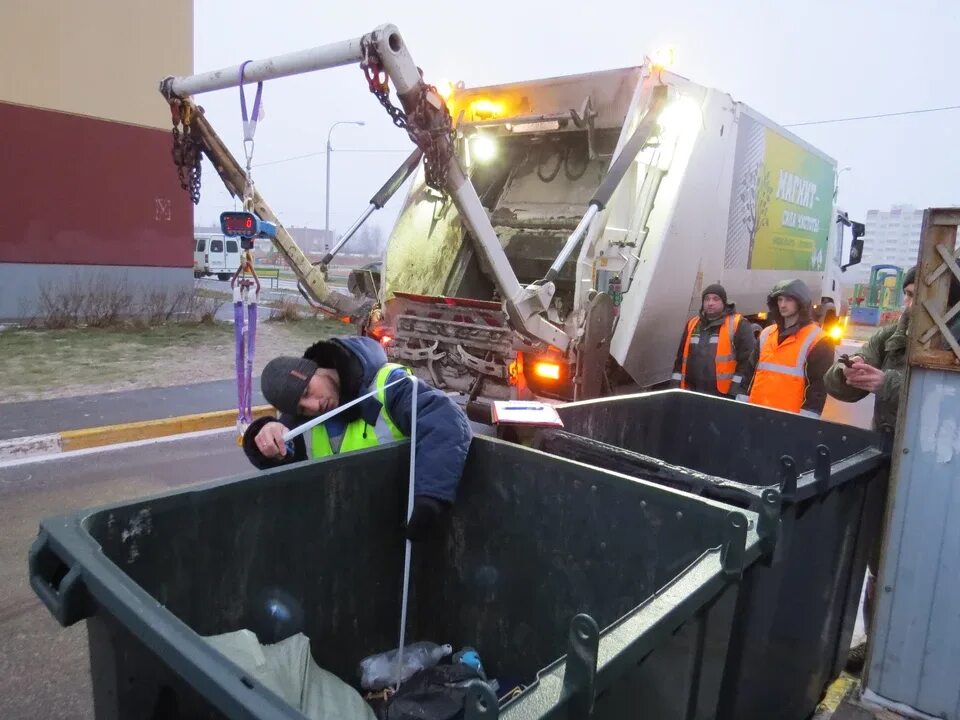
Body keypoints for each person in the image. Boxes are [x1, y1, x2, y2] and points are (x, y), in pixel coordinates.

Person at [242, 335, 472, 541]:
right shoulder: (309, 416)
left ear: (315, 368)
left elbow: (445, 420)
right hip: (351, 534)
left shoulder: (389, 386)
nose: (313, 406)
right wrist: (265, 435)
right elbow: (286, 455)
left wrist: (430, 497)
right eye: (301, 409)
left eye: (307, 392)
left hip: (402, 530)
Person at [747, 279, 835, 417]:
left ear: (801, 303)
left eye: (788, 300)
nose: (782, 305)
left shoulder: (819, 340)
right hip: (756, 413)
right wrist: (742, 404)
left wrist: (807, 419)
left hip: (790, 419)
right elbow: (750, 373)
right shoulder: (766, 334)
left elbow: (817, 387)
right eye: (780, 300)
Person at [671, 284, 755, 397]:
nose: (710, 303)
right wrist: (675, 385)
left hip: (723, 394)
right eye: (707, 299)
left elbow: (747, 362)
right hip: (692, 391)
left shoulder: (738, 324)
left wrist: (736, 390)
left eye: (715, 299)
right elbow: (680, 359)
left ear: (723, 302)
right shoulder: (692, 324)